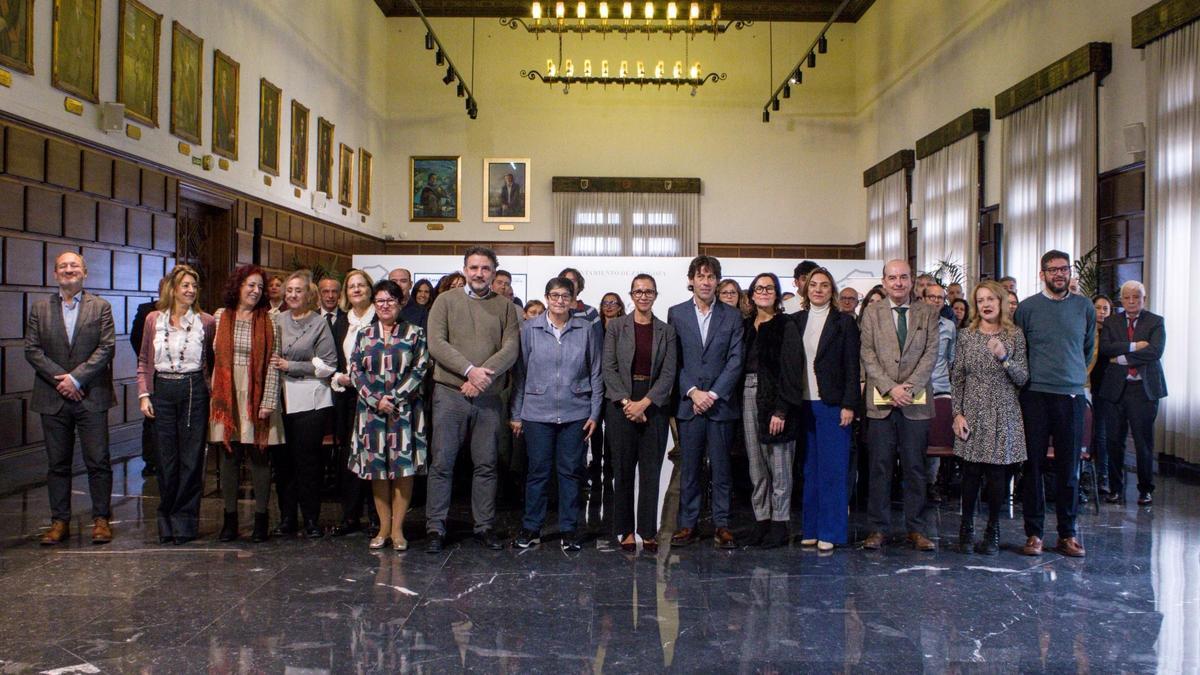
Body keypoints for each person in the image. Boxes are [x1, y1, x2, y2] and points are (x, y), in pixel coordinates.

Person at [425, 247, 521, 552]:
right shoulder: (445, 301)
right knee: (442, 463)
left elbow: (511, 348)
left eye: (485, 268)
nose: (479, 273)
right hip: (450, 394)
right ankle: (435, 527)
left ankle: (484, 526)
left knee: (487, 464)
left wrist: (482, 378)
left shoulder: (505, 306)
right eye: (474, 267)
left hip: (488, 397)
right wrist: (468, 371)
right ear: (464, 269)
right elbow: (436, 343)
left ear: (494, 272)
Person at [26, 251, 117, 546]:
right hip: (53, 397)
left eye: (74, 266)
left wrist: (76, 379)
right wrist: (63, 381)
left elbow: (106, 348)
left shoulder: (100, 307)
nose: (68, 270)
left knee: (98, 461)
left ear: (85, 273)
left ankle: (101, 520)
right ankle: (59, 521)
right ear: (55, 274)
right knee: (57, 464)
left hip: (92, 395)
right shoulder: (39, 308)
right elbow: (32, 350)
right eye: (62, 266)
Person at [509, 277, 604, 551]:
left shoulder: (586, 330)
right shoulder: (529, 329)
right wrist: (516, 413)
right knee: (538, 473)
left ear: (573, 300)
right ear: (547, 297)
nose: (559, 301)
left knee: (571, 472)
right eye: (554, 295)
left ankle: (569, 529)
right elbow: (521, 374)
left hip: (576, 412)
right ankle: (531, 528)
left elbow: (596, 373)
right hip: (537, 412)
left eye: (565, 296)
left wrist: (595, 413)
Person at [1013, 250, 1095, 558]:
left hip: (1071, 395)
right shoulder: (1028, 309)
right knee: (1032, 466)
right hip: (1034, 394)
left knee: (1068, 468)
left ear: (1069, 272)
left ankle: (1067, 533)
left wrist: (1071, 374)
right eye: (1052, 270)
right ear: (1042, 274)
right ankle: (1034, 533)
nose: (1059, 274)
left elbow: (1086, 349)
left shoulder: (1084, 307)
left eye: (1064, 269)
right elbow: (1019, 350)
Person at [859, 259, 939, 551]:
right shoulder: (871, 312)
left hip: (915, 403)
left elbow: (931, 354)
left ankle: (916, 529)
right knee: (879, 467)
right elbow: (867, 354)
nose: (898, 283)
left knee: (915, 468)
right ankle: (877, 529)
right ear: (884, 281)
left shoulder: (928, 312)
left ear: (912, 280)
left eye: (904, 277)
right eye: (892, 278)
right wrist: (890, 387)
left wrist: (909, 388)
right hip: (881, 402)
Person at [668, 255, 744, 549]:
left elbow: (735, 360)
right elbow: (674, 360)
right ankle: (688, 524)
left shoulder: (732, 316)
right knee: (689, 468)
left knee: (722, 469)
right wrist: (692, 392)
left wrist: (712, 394)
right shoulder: (676, 314)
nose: (705, 281)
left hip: (720, 404)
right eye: (700, 276)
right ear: (691, 280)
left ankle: (722, 524)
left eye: (711, 277)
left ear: (717, 281)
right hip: (690, 404)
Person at [136, 265, 215, 545]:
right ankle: (166, 520)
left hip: (193, 389)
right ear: (173, 289)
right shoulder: (153, 319)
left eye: (194, 286)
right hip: (163, 390)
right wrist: (144, 394)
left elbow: (211, 363)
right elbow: (144, 360)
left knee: (191, 460)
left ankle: (185, 523)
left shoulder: (205, 321)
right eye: (185, 285)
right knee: (166, 460)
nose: (190, 290)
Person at [782, 267, 860, 551]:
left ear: (832, 290)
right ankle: (811, 528)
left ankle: (832, 531)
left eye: (824, 285)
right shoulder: (795, 321)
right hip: (802, 404)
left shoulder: (844, 323)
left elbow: (852, 367)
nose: (817, 289)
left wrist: (849, 404)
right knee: (809, 470)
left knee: (833, 470)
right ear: (805, 289)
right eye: (813, 285)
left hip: (832, 405)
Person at [348, 279, 430, 551]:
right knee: (378, 473)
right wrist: (375, 399)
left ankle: (398, 530)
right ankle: (383, 528)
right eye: (380, 301)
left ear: (400, 303)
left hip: (403, 412)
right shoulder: (365, 335)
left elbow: (419, 370)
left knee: (402, 472)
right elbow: (356, 371)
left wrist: (393, 398)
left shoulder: (415, 333)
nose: (385, 305)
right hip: (371, 414)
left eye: (390, 300)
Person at [950, 281, 1028, 554]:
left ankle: (993, 529)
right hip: (972, 410)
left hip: (1003, 410)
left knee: (997, 475)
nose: (985, 304)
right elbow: (957, 377)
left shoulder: (1015, 335)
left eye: (991, 299)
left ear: (1001, 302)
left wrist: (1004, 357)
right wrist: (956, 414)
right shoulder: (966, 336)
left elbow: (1022, 378)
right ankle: (966, 527)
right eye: (980, 300)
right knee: (970, 474)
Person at [210, 265, 284, 544]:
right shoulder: (220, 317)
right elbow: (211, 357)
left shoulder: (271, 319)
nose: (255, 291)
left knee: (259, 457)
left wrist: (268, 401)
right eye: (250, 285)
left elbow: (275, 363)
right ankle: (230, 520)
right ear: (238, 286)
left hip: (258, 390)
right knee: (229, 456)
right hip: (226, 393)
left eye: (260, 287)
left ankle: (261, 520)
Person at [602, 274, 676, 553]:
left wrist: (644, 403)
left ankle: (648, 530)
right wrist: (627, 403)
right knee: (622, 470)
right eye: (638, 291)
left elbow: (668, 373)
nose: (643, 296)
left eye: (649, 292)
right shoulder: (616, 327)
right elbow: (608, 367)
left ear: (655, 295)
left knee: (650, 472)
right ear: (631, 295)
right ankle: (625, 530)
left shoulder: (666, 331)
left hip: (653, 405)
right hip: (621, 403)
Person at [271, 271, 337, 538]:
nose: (293, 295)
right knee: (282, 462)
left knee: (307, 462)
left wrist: (292, 365)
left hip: (311, 400)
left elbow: (329, 363)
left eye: (299, 291)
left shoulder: (319, 323)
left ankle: (311, 518)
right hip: (280, 398)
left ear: (309, 295)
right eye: (289, 291)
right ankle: (287, 518)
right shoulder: (277, 320)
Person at [740, 273, 798, 548]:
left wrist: (781, 410)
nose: (764, 292)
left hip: (776, 399)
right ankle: (761, 519)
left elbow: (791, 370)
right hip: (748, 394)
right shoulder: (744, 326)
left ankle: (780, 522)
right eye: (759, 288)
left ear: (777, 294)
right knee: (756, 463)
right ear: (751, 294)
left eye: (769, 288)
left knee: (780, 463)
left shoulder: (786, 325)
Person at [1098, 281, 1166, 506]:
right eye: (1127, 297)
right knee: (1114, 441)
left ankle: (1145, 490)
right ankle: (1116, 489)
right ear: (1121, 300)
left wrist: (1122, 358)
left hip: (1143, 390)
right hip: (1116, 389)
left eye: (1136, 297)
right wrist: (1135, 346)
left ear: (1143, 299)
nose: (1131, 301)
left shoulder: (1156, 321)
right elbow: (1106, 348)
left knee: (1142, 442)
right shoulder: (1111, 321)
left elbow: (1155, 351)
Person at [329, 269, 379, 537]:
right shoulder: (341, 323)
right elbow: (335, 358)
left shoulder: (380, 319)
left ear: (370, 290)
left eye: (361, 285)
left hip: (374, 397)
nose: (357, 290)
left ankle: (375, 516)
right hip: (348, 398)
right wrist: (340, 376)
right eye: (352, 287)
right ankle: (350, 516)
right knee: (349, 457)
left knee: (372, 456)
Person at [922, 282, 957, 503]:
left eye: (940, 298)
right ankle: (915, 484)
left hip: (941, 387)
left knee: (937, 439)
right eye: (931, 297)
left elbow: (951, 358)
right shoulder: (914, 323)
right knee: (918, 440)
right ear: (922, 299)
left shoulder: (949, 326)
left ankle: (931, 484)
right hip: (917, 389)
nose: (936, 301)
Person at [130, 278, 167, 477]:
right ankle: (150, 460)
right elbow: (136, 338)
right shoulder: (146, 311)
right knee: (150, 419)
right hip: (151, 370)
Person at [1088, 294, 1113, 494]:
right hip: (1083, 385)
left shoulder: (1113, 333)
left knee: (1102, 434)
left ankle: (1103, 476)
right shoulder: (1085, 329)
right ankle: (1086, 476)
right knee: (1086, 433)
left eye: (1106, 309)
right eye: (1098, 308)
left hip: (1105, 389)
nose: (1102, 312)